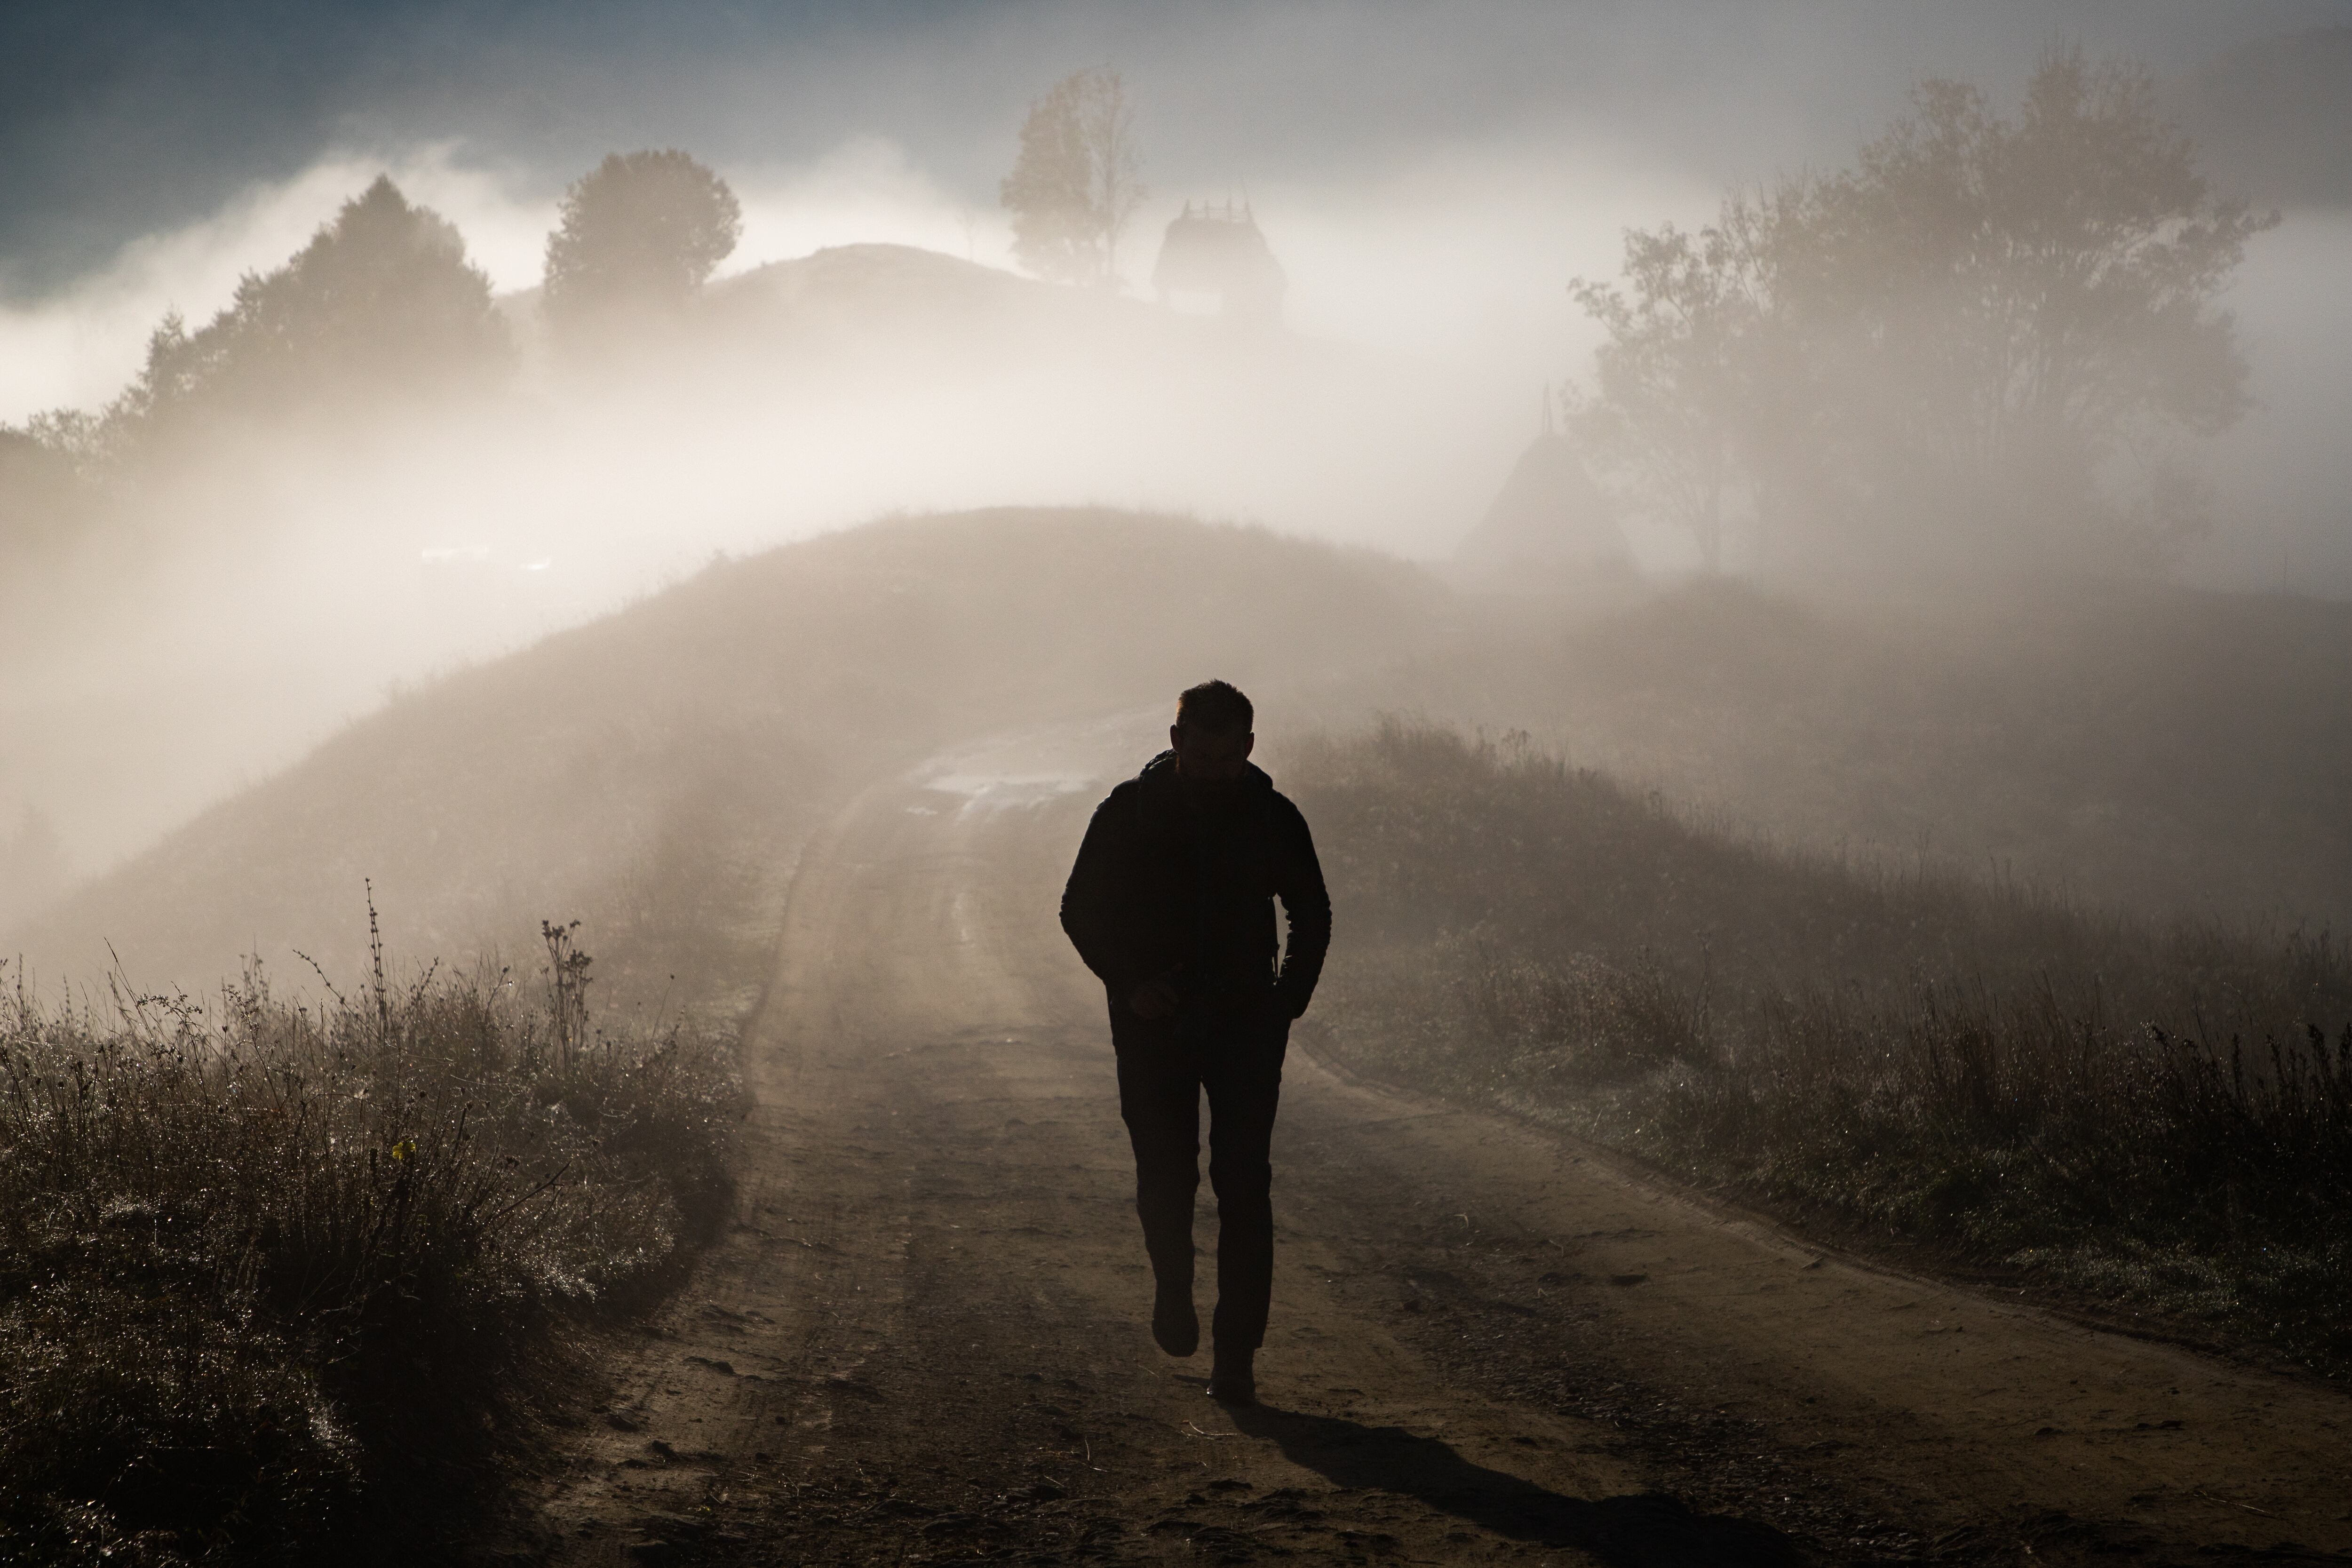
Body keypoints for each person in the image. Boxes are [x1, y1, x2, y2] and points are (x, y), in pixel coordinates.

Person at [1059, 680, 1331, 1405]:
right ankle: (1172, 1289)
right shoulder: (1125, 813)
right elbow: (1078, 909)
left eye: (1226, 756)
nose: (1213, 768)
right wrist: (1130, 982)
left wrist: (1285, 1006)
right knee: (1165, 1179)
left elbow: (1312, 913)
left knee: (1244, 1187)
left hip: (1248, 1028)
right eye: (1200, 753)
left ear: (1249, 746)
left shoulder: (1275, 818)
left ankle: (1236, 1358)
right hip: (1153, 1027)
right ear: (1175, 742)